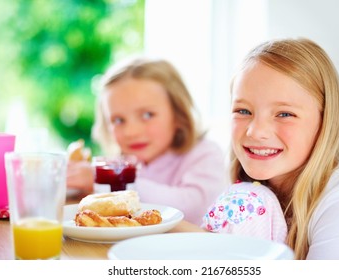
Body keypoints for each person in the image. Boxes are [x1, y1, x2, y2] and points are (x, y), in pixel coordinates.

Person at [177, 38, 339, 260]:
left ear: (326, 121)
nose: (256, 131)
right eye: (243, 111)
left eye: (284, 114)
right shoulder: (250, 197)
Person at [67, 57, 228, 225]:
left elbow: (194, 207)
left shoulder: (205, 154)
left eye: (147, 115)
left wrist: (109, 180)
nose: (131, 132)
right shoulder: (123, 162)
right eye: (118, 120)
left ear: (178, 114)